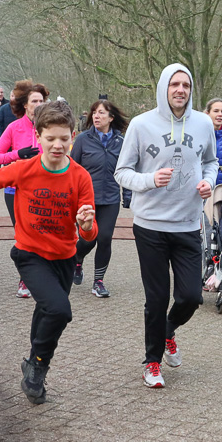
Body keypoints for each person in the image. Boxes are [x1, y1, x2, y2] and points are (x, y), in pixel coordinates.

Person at [0, 101, 97, 404]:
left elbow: (89, 234)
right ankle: (40, 367)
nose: (58, 145)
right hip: (30, 254)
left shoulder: (80, 177)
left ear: (73, 137)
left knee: (47, 310)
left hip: (65, 257)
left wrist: (86, 225)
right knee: (59, 310)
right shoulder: (24, 169)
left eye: (65, 138)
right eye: (51, 138)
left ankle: (33, 364)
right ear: (38, 137)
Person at [114, 63, 218, 388]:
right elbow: (122, 171)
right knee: (156, 298)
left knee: (191, 296)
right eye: (174, 84)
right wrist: (148, 180)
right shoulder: (141, 125)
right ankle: (152, 362)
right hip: (150, 227)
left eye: (185, 85)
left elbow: (211, 162)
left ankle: (168, 330)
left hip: (188, 225)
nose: (180, 90)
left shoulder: (202, 123)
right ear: (164, 87)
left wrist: (209, 183)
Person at [0, 80, 49, 298]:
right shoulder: (14, 127)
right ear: (25, 104)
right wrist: (19, 154)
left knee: (42, 233)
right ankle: (25, 280)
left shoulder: (49, 126)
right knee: (24, 235)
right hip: (16, 190)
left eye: (41, 101)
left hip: (44, 190)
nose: (38, 104)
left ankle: (44, 275)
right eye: (34, 101)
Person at [70, 99, 131, 298]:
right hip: (86, 198)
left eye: (102, 113)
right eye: (95, 112)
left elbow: (126, 170)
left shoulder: (121, 142)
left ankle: (98, 281)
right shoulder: (82, 140)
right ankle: (77, 259)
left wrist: (127, 195)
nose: (96, 116)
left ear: (111, 118)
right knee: (88, 239)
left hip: (111, 198)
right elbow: (72, 168)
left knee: (104, 238)